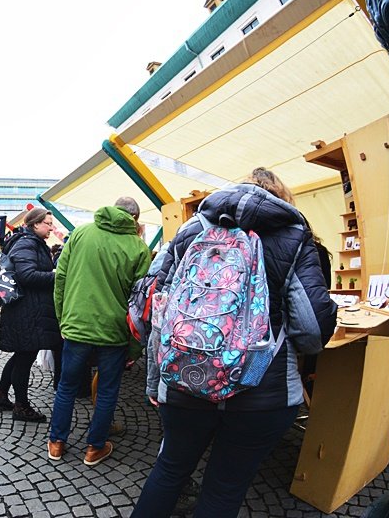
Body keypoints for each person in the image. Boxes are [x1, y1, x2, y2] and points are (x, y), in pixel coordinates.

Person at [132, 168, 337, 517]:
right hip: (261, 391)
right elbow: (312, 331)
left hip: (184, 379)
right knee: (224, 489)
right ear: (282, 198)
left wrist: (155, 380)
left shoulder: (191, 230)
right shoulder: (293, 235)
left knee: (169, 471)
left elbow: (154, 310)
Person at [47, 197, 151, 466]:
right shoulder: (138, 248)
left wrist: (63, 319)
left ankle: (57, 442)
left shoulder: (81, 232)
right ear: (135, 219)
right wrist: (135, 347)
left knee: (66, 387)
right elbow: (141, 303)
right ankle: (94, 447)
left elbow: (61, 279)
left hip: (76, 325)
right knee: (107, 390)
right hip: (114, 332)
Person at [0, 208, 61, 422]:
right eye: (47, 223)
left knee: (22, 355)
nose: (51, 227)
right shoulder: (26, 243)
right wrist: (55, 276)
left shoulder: (31, 242)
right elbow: (27, 276)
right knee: (25, 357)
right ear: (35, 224)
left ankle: (0, 394)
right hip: (26, 311)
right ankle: (22, 406)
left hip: (28, 310)